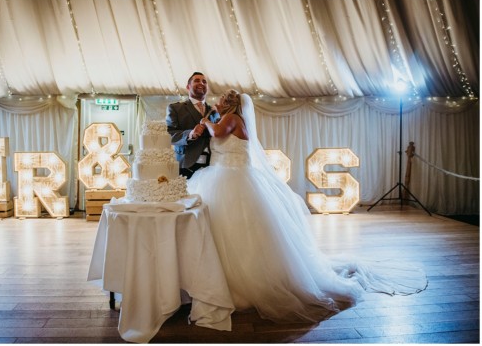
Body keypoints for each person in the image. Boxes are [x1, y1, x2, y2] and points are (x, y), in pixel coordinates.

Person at [188, 90, 427, 323]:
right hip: (224, 177)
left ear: (229, 104)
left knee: (238, 234)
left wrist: (205, 122)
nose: (216, 102)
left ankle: (241, 284)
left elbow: (218, 133)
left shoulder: (230, 119)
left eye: (220, 100)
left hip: (234, 180)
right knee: (231, 233)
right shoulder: (231, 118)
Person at [167, 72, 221, 179]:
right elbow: (169, 135)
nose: (201, 83)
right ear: (188, 87)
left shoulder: (214, 111)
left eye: (204, 81)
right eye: (196, 80)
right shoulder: (175, 108)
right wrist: (190, 134)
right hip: (186, 165)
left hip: (212, 165)